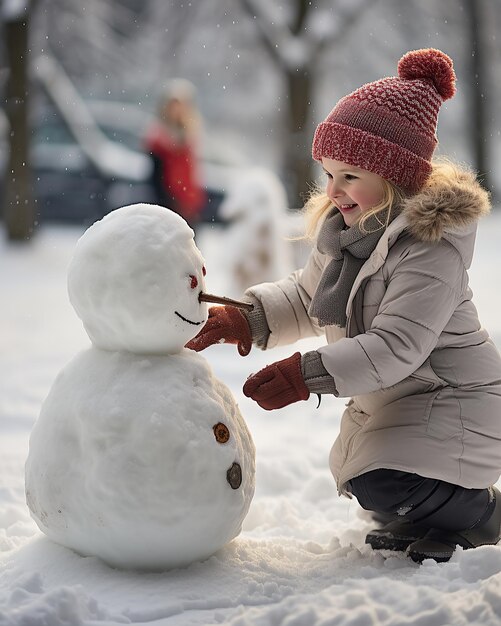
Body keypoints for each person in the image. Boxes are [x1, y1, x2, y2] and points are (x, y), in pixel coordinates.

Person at [186, 48, 501, 564]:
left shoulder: (430, 249)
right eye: (328, 173)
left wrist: (306, 373)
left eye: (350, 175)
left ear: (396, 176)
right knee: (372, 486)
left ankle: (482, 513)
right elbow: (310, 298)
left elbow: (398, 345)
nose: (333, 190)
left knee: (385, 481)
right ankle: (427, 512)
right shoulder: (348, 236)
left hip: (456, 401)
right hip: (403, 401)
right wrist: (247, 318)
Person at [144, 79, 206, 228]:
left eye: (181, 106)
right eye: (173, 106)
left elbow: (192, 173)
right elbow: (156, 179)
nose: (177, 111)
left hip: (189, 204)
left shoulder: (190, 137)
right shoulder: (158, 139)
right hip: (168, 205)